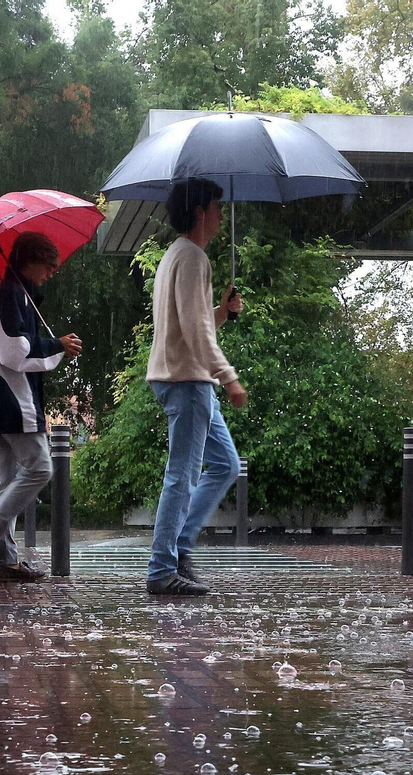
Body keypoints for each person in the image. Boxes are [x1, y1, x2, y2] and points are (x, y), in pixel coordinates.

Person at [145, 177, 246, 596]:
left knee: (225, 464)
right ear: (201, 211)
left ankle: (179, 548)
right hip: (188, 382)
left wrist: (222, 311)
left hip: (185, 378)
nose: (222, 216)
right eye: (217, 208)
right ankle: (161, 569)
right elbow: (195, 334)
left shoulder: (179, 255)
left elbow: (194, 323)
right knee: (182, 476)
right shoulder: (191, 258)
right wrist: (230, 377)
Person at [0, 231, 82, 581]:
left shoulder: (19, 295)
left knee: (8, 478)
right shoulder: (11, 294)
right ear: (30, 262)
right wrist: (54, 344)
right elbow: (15, 350)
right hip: (12, 398)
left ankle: (6, 558)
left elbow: (19, 345)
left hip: (0, 399)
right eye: (49, 265)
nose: (52, 271)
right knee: (41, 468)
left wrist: (55, 345)